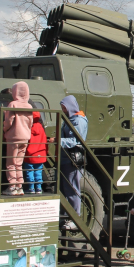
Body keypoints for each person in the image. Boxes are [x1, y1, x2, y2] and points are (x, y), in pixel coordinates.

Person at [53, 96, 88, 228]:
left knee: (73, 188)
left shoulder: (78, 120)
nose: (63, 110)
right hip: (64, 158)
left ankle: (75, 217)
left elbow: (76, 140)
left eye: (64, 108)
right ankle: (65, 216)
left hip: (72, 159)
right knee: (64, 189)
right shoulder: (69, 119)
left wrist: (58, 140)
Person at [2, 82, 33, 196]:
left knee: (11, 163)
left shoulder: (13, 104)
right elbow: (30, 122)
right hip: (25, 137)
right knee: (19, 163)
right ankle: (20, 186)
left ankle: (12, 187)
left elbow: (9, 121)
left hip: (13, 137)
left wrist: (4, 129)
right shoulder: (29, 106)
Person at [23, 112, 47, 194]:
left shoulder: (28, 128)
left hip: (29, 155)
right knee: (38, 172)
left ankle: (31, 188)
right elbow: (45, 142)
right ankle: (39, 188)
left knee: (29, 172)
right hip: (40, 154)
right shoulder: (41, 128)